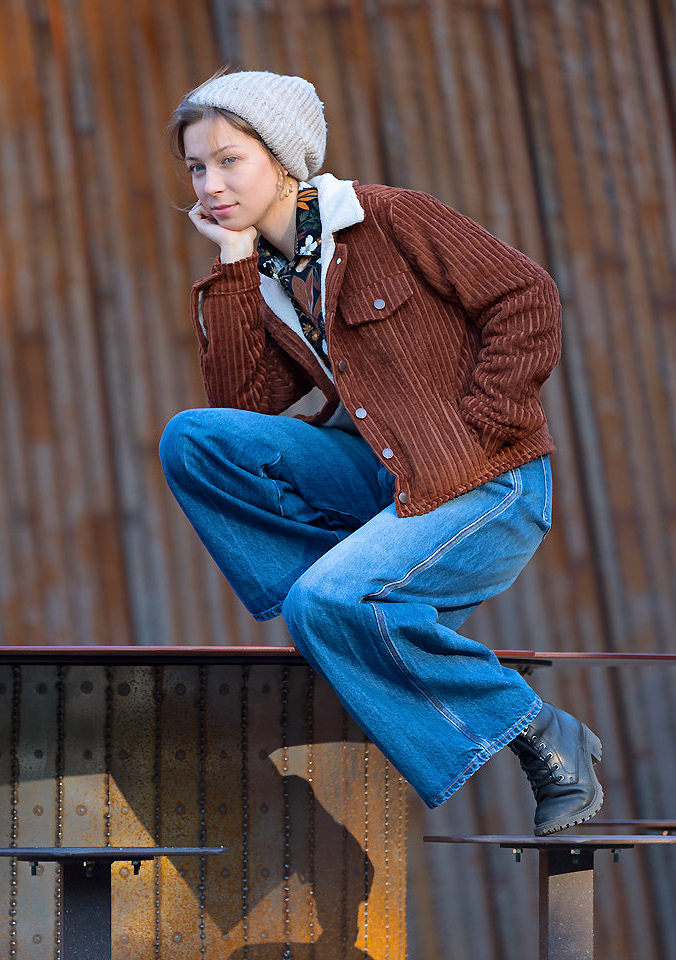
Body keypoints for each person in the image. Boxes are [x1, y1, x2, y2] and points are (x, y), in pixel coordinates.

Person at [158, 69, 603, 835]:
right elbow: (241, 408)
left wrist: (488, 420)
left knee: (325, 604)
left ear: (284, 159)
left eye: (230, 160)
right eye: (197, 167)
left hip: (487, 481)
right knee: (194, 440)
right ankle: (345, 601)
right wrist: (233, 259)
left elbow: (524, 295)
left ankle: (537, 731)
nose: (210, 182)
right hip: (388, 483)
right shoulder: (263, 277)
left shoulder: (389, 218)